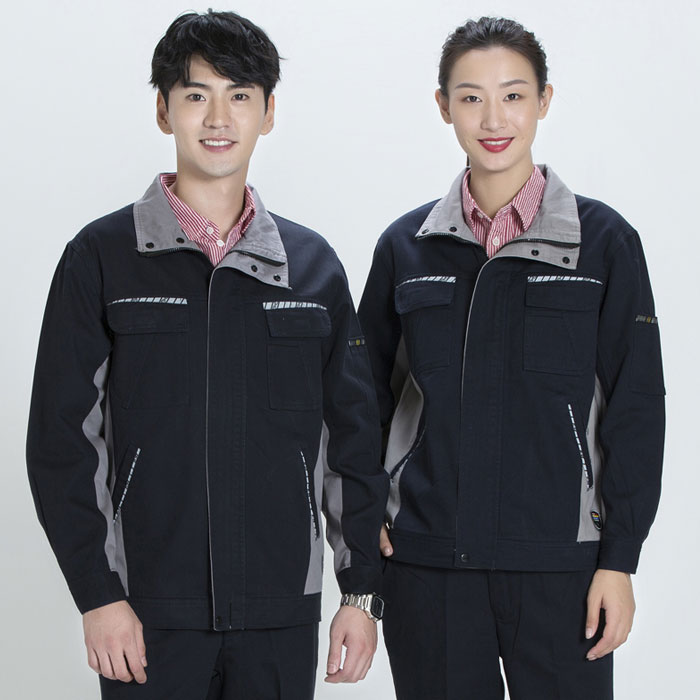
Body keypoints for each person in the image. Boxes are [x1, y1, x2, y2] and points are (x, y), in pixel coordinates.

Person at [26, 10, 387, 699]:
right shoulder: (100, 258)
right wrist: (97, 595)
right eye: (196, 95)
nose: (218, 118)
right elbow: (60, 441)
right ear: (164, 110)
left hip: (280, 614)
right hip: (144, 613)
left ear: (268, 113)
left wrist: (360, 592)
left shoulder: (313, 269)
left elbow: (352, 440)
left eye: (239, 95)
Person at [358, 16, 664, 700]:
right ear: (444, 106)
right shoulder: (405, 247)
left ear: (544, 100)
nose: (493, 119)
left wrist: (620, 559)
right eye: (470, 97)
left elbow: (637, 406)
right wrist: (364, 516)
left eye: (514, 95)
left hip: (563, 570)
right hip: (428, 566)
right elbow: (363, 402)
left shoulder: (604, 243)